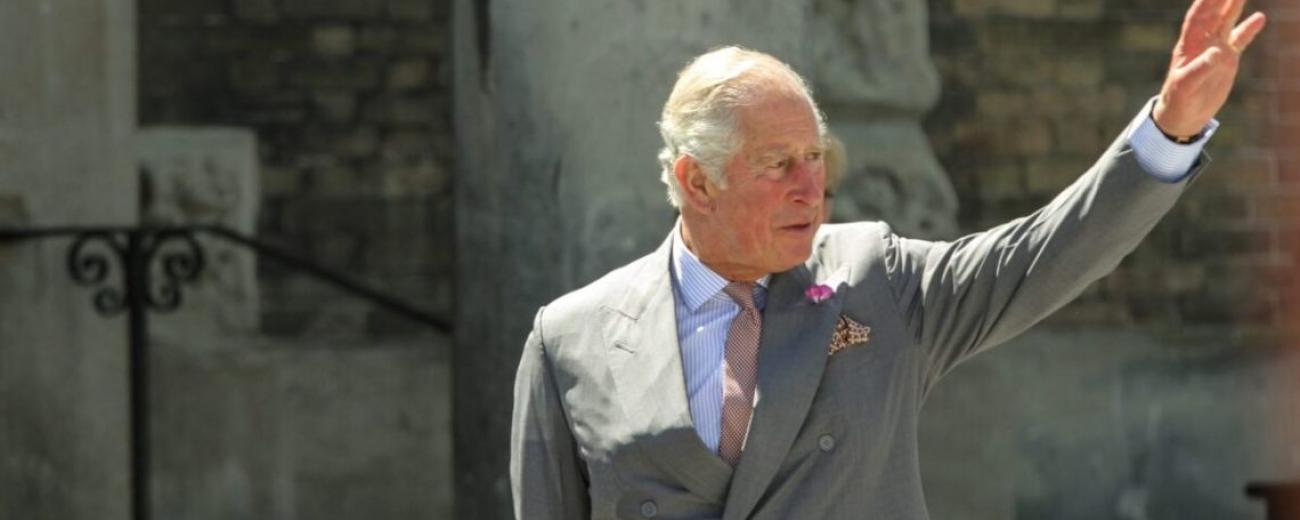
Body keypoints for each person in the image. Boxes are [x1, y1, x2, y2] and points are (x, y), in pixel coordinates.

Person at [511, 1, 1267, 518]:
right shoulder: (570, 339)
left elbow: (1042, 254)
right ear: (696, 181)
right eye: (778, 164)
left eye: (815, 157)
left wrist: (1170, 128)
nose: (811, 187)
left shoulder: (875, 277)